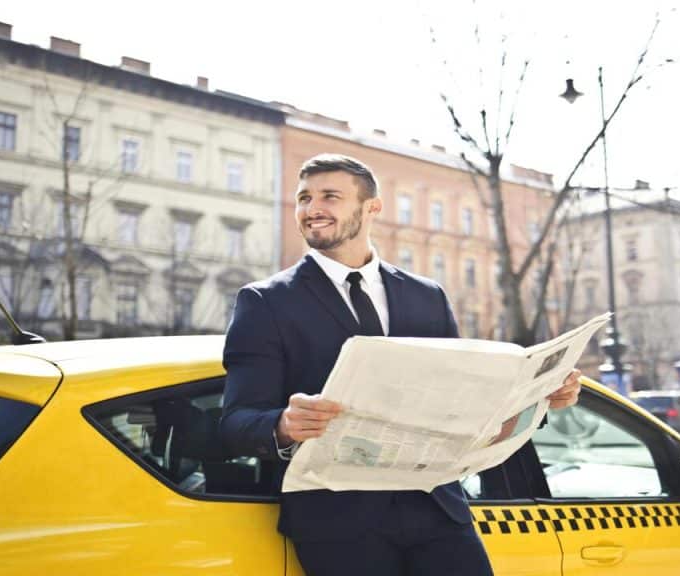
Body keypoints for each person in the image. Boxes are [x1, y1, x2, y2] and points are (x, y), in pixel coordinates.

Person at [221, 153, 582, 576]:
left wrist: (541, 396)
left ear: (371, 207)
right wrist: (283, 425)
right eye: (304, 198)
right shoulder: (266, 302)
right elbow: (235, 421)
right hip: (338, 523)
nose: (312, 209)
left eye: (329, 196)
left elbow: (465, 401)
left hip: (437, 510)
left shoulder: (427, 296)